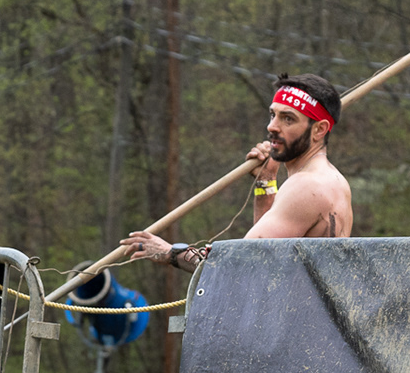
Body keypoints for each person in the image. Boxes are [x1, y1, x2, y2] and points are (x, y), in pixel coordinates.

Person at [125, 73, 352, 270]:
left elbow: (242, 265)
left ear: (319, 129)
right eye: (273, 115)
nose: (272, 126)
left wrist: (171, 253)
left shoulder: (307, 186)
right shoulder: (333, 180)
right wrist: (266, 181)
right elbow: (268, 256)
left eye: (288, 119)